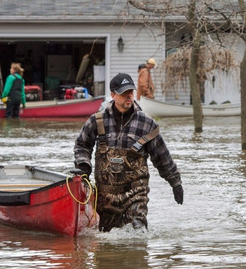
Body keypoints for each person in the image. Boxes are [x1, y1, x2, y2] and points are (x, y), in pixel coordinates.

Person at [73, 73, 183, 232]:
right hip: (105, 198)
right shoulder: (96, 121)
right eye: (124, 93)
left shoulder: (147, 124)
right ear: (112, 95)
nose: (129, 97)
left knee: (137, 236)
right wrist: (83, 167)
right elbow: (82, 145)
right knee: (106, 244)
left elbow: (162, 156)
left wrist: (175, 182)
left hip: (135, 195)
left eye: (130, 92)